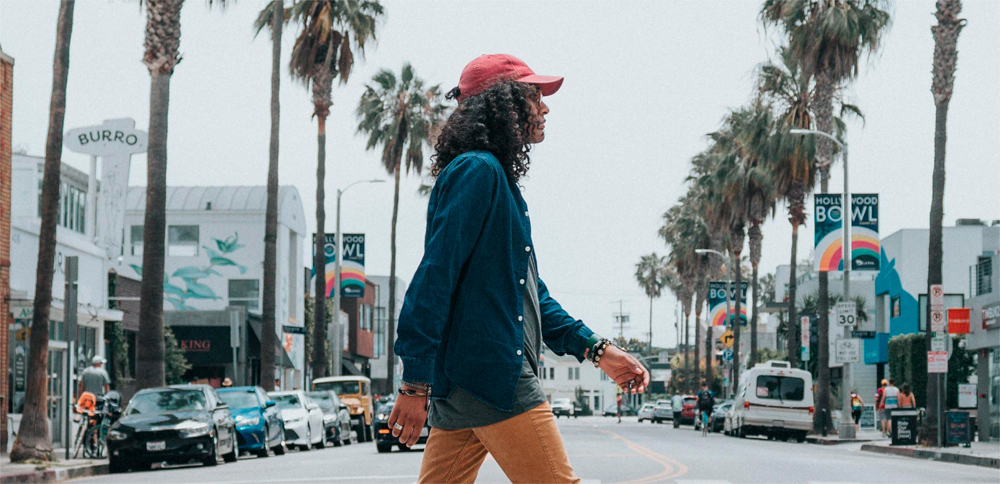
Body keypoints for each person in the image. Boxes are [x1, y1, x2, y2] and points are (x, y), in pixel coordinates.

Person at [388, 54, 650, 484]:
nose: (544, 107)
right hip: (496, 380)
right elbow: (434, 276)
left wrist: (598, 350)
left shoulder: (495, 180)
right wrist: (414, 382)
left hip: (465, 384)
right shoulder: (478, 172)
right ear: (502, 105)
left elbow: (530, 295)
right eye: (534, 96)